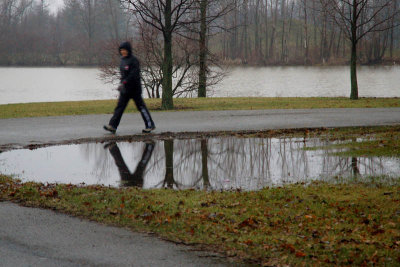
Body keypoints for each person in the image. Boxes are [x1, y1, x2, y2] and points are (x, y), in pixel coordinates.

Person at [104, 41, 156, 134]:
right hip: (125, 90)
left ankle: (150, 125)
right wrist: (121, 84)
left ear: (128, 50)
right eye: (121, 50)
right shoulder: (122, 61)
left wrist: (126, 81)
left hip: (135, 89)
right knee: (119, 107)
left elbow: (134, 74)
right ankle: (112, 126)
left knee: (141, 107)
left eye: (124, 50)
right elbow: (123, 75)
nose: (123, 52)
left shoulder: (134, 60)